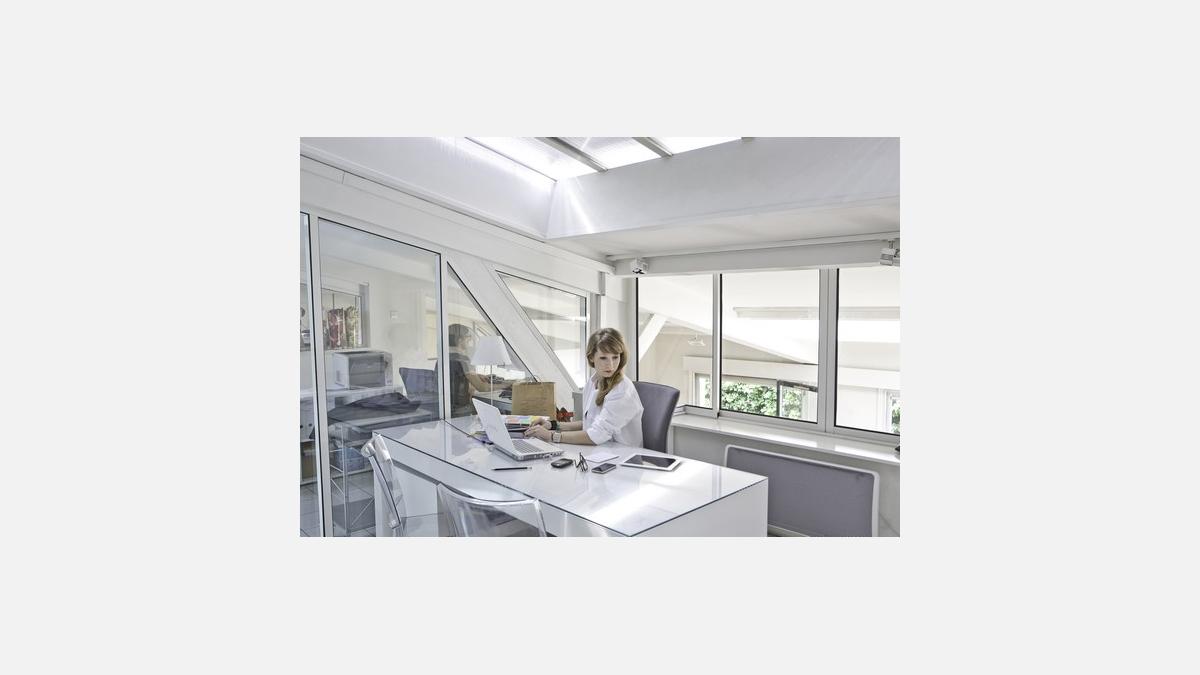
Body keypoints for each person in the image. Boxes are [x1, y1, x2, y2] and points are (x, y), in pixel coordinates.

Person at [525, 328, 643, 447]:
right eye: (603, 358)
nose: (611, 365)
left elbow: (597, 434)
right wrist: (552, 425)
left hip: (623, 453)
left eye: (615, 357)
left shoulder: (623, 390)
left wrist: (552, 436)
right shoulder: (593, 382)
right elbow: (589, 424)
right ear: (591, 357)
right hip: (601, 450)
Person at [447, 323, 511, 416]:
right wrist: (507, 385)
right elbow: (482, 388)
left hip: (449, 407)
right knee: (498, 411)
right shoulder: (462, 359)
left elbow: (457, 376)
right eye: (467, 337)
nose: (469, 340)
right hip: (460, 409)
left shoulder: (445, 358)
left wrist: (477, 376)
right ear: (460, 340)